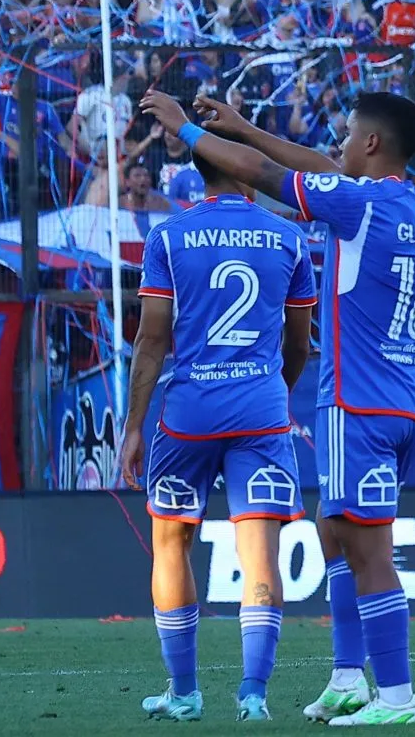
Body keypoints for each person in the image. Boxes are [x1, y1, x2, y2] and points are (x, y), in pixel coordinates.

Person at [145, 87, 415, 727]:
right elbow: (317, 170)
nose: (336, 146)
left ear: (370, 143)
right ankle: (345, 678)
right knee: (335, 539)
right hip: (406, 399)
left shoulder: (357, 206)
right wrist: (246, 127)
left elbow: (275, 177)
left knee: (366, 553)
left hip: (357, 402)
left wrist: (187, 132)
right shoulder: (414, 205)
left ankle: (396, 697)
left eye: (346, 135)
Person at [117, 147, 318, 721]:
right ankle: (253, 695)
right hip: (260, 412)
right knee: (259, 554)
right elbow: (298, 343)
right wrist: (272, 389)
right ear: (247, 173)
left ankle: (183, 693)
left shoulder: (169, 237)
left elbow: (152, 341)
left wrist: (134, 426)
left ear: (200, 176)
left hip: (188, 416)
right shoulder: (286, 238)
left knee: (170, 543)